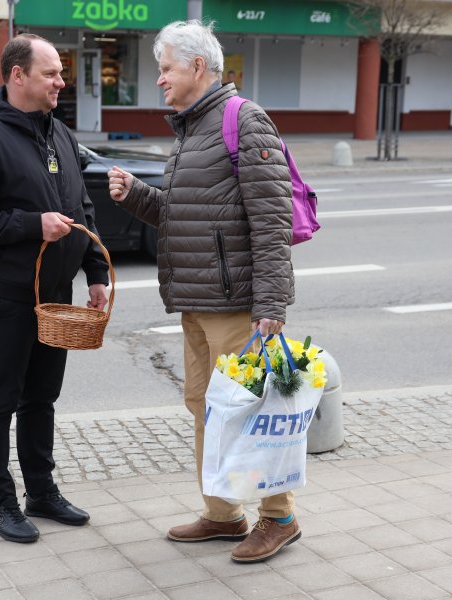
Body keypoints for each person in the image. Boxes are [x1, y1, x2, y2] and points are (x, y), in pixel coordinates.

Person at [107, 20, 297, 564]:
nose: (160, 79)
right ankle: (221, 515)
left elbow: (271, 221)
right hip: (196, 300)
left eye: (165, 68)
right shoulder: (192, 128)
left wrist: (271, 304)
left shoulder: (245, 120)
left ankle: (279, 517)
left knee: (248, 412)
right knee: (206, 410)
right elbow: (184, 216)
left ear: (197, 66)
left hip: (237, 305)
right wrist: (138, 197)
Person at [0, 33, 109, 544]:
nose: (62, 82)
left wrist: (97, 272)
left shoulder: (57, 132)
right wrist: (30, 225)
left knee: (42, 398)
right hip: (8, 297)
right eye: (51, 74)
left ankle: (41, 491)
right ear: (17, 76)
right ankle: (0, 504)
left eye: (60, 73)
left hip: (56, 298)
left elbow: (82, 208)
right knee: (0, 400)